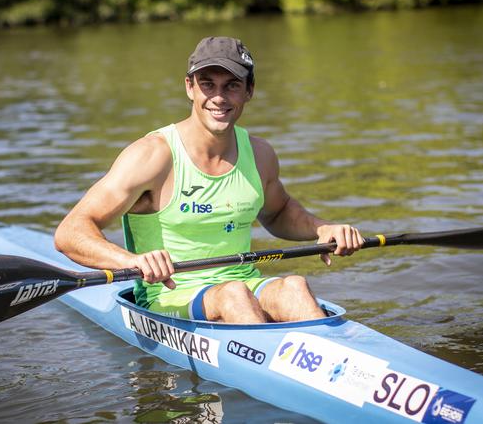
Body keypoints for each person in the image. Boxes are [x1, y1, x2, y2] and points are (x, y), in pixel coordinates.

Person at [55, 36, 364, 324]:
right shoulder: (152, 156)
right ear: (189, 87)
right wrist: (132, 260)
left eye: (231, 86)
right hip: (171, 293)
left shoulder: (260, 154)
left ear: (249, 90)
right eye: (207, 84)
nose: (218, 97)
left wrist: (321, 228)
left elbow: (279, 211)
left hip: (244, 282)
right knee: (233, 295)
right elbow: (70, 232)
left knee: (294, 286)